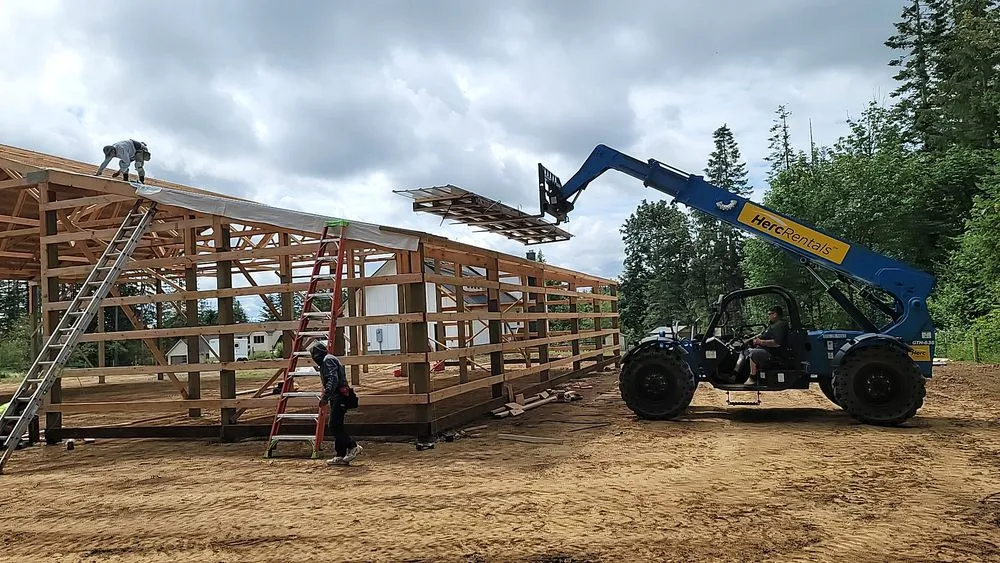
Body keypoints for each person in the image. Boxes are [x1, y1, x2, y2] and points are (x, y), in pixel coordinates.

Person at [310, 341, 362, 465]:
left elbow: (332, 379)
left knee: (333, 425)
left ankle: (353, 446)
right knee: (337, 425)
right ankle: (340, 454)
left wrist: (325, 396)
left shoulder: (327, 360)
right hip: (337, 395)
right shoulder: (328, 359)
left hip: (339, 395)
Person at [746, 305, 789, 378]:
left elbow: (777, 343)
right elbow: (762, 334)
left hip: (773, 353)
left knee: (753, 353)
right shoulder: (772, 325)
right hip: (765, 349)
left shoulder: (780, 325)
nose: (768, 316)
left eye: (769, 314)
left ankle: (752, 377)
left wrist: (760, 342)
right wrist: (751, 339)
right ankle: (734, 374)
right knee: (745, 351)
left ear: (775, 314)